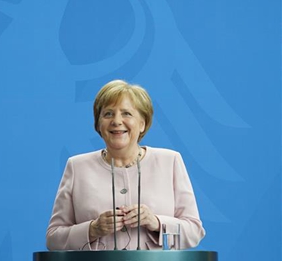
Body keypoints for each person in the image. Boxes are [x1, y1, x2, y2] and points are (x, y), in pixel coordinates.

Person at [46, 80, 205, 251]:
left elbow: (194, 232)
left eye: (127, 113)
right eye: (108, 114)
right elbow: (54, 239)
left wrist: (157, 222)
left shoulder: (170, 161)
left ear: (143, 123)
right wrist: (93, 229)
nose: (116, 121)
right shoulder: (77, 167)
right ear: (98, 124)